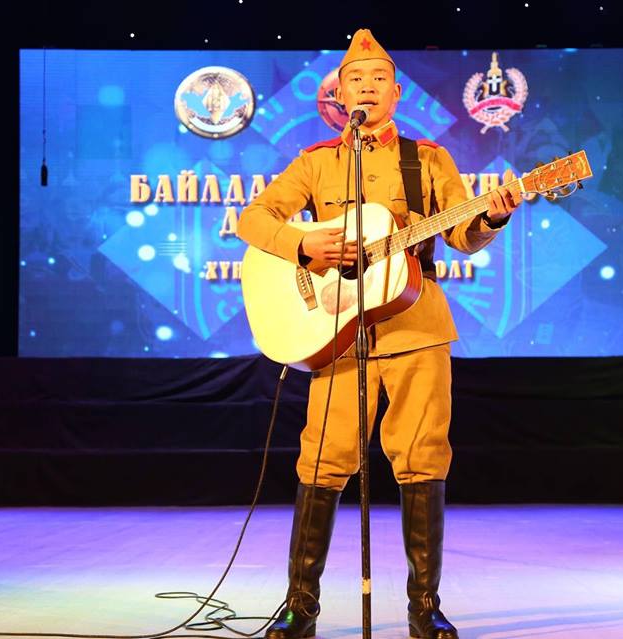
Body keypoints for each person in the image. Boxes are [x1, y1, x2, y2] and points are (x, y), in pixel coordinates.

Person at [238, 28, 522, 639]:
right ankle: (300, 608)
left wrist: (491, 218)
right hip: (339, 332)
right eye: (355, 80)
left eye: (378, 80)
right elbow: (253, 219)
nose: (366, 87)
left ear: (396, 92)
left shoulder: (429, 159)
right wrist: (304, 245)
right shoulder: (316, 161)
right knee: (322, 459)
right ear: (338, 95)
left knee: (423, 458)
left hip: (417, 326)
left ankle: (425, 608)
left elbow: (462, 234)